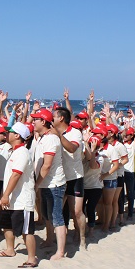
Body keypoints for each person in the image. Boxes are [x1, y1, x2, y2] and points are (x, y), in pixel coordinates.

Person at [0, 122, 38, 268]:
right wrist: (6, 194)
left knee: (27, 230)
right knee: (6, 224)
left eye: (9, 132)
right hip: (12, 197)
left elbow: (16, 175)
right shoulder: (14, 151)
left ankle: (32, 258)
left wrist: (5, 195)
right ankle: (10, 249)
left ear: (17, 135)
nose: (6, 134)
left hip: (22, 198)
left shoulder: (22, 152)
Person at [30, 108, 66, 259]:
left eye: (36, 119)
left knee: (56, 217)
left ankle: (60, 251)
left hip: (54, 184)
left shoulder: (51, 139)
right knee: (46, 215)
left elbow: (47, 165)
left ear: (43, 121)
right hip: (47, 183)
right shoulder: (43, 137)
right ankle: (50, 239)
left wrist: (37, 184)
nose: (33, 122)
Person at [51, 106, 87, 249]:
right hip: (59, 177)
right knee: (57, 211)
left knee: (76, 211)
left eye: (54, 116)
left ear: (61, 118)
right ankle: (57, 239)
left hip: (74, 177)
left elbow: (72, 148)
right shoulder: (52, 132)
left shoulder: (75, 133)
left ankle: (82, 238)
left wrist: (59, 136)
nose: (51, 119)